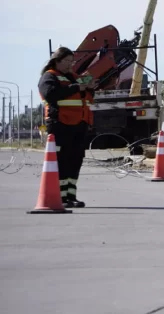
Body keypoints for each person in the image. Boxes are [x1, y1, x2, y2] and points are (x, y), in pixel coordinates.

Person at [38, 47, 97, 208]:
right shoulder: (49, 77)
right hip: (60, 124)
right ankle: (61, 196)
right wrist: (77, 87)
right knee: (62, 161)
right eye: (67, 61)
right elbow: (51, 95)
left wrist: (90, 87)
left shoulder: (74, 77)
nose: (70, 65)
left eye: (72, 61)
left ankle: (71, 195)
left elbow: (87, 98)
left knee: (75, 160)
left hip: (79, 124)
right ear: (57, 61)